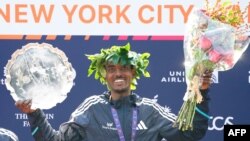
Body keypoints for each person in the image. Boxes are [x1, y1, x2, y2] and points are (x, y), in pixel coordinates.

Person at [15, 43, 212, 141]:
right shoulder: (91, 109)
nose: (118, 74)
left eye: (124, 68)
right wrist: (34, 114)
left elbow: (191, 134)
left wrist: (200, 94)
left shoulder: (150, 111)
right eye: (111, 69)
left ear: (133, 73)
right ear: (105, 75)